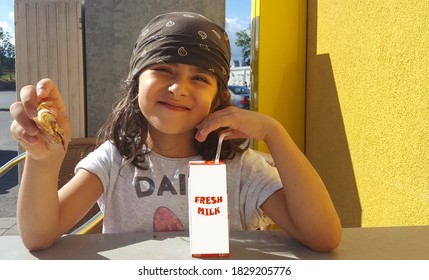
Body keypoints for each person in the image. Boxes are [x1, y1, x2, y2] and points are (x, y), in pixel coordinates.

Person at [9, 12, 341, 252]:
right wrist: (43, 159)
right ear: (135, 83)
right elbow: (39, 236)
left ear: (218, 98)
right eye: (163, 69)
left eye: (200, 78)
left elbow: (323, 237)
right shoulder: (115, 159)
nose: (178, 87)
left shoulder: (242, 168)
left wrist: (274, 132)